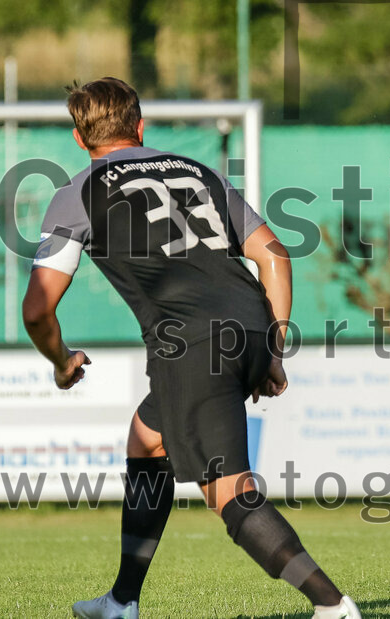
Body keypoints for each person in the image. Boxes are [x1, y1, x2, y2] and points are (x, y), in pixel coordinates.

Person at [22, 78, 360, 619]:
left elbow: (38, 310)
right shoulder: (197, 172)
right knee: (148, 439)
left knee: (228, 493)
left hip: (193, 345)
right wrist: (272, 349)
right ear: (140, 125)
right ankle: (122, 601)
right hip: (253, 323)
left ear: (79, 139)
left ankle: (333, 606)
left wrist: (62, 363)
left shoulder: (78, 192)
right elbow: (275, 256)